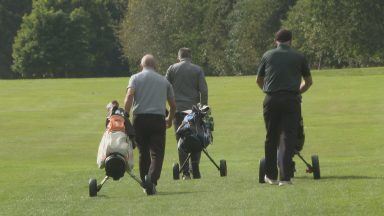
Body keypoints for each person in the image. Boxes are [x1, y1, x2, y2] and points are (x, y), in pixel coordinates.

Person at [256, 29, 313, 186]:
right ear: (291, 41)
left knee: (271, 136)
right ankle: (285, 178)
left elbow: (259, 80)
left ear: (276, 41)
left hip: (271, 99)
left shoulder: (267, 55)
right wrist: (297, 91)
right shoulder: (299, 56)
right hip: (291, 100)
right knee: (288, 137)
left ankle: (271, 175)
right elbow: (308, 81)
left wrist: (268, 91)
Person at [124, 54, 176, 194]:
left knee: (143, 152)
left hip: (139, 119)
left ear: (141, 65)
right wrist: (169, 119)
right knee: (157, 153)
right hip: (158, 119)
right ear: (156, 66)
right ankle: (151, 181)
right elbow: (173, 105)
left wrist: (126, 114)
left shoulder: (135, 78)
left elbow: (129, 96)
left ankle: (145, 183)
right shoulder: (164, 81)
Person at [165, 48, 208, 180]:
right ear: (190, 57)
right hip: (194, 111)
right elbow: (204, 90)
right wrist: (203, 108)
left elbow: (165, 87)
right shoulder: (197, 69)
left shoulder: (172, 69)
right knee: (197, 138)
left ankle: (185, 173)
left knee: (181, 140)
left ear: (178, 57)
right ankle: (194, 167)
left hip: (177, 110)